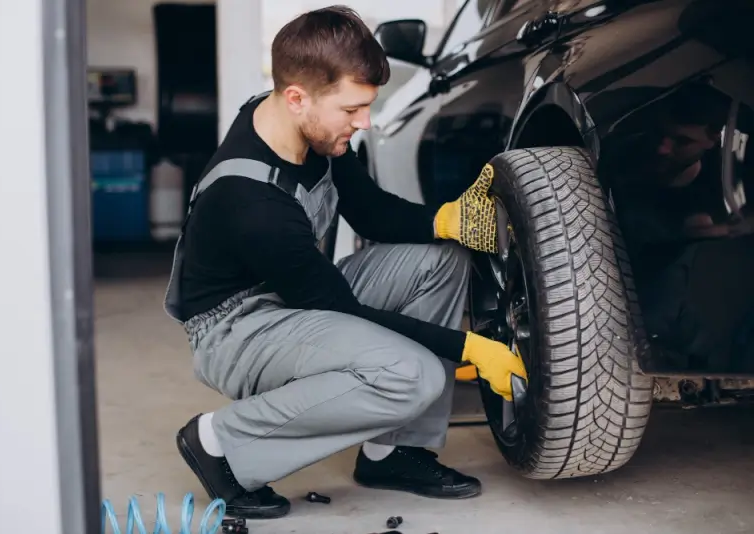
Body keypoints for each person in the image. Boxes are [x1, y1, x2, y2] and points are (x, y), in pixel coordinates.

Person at [163, 6, 527, 520]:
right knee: (412, 374)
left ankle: (393, 451)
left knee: (441, 259)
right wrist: (469, 346)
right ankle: (221, 443)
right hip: (235, 330)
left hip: (295, 297)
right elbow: (338, 307)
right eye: (353, 109)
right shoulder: (249, 200)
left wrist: (444, 220)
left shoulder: (304, 127)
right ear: (296, 98)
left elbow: (369, 212)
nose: (365, 122)